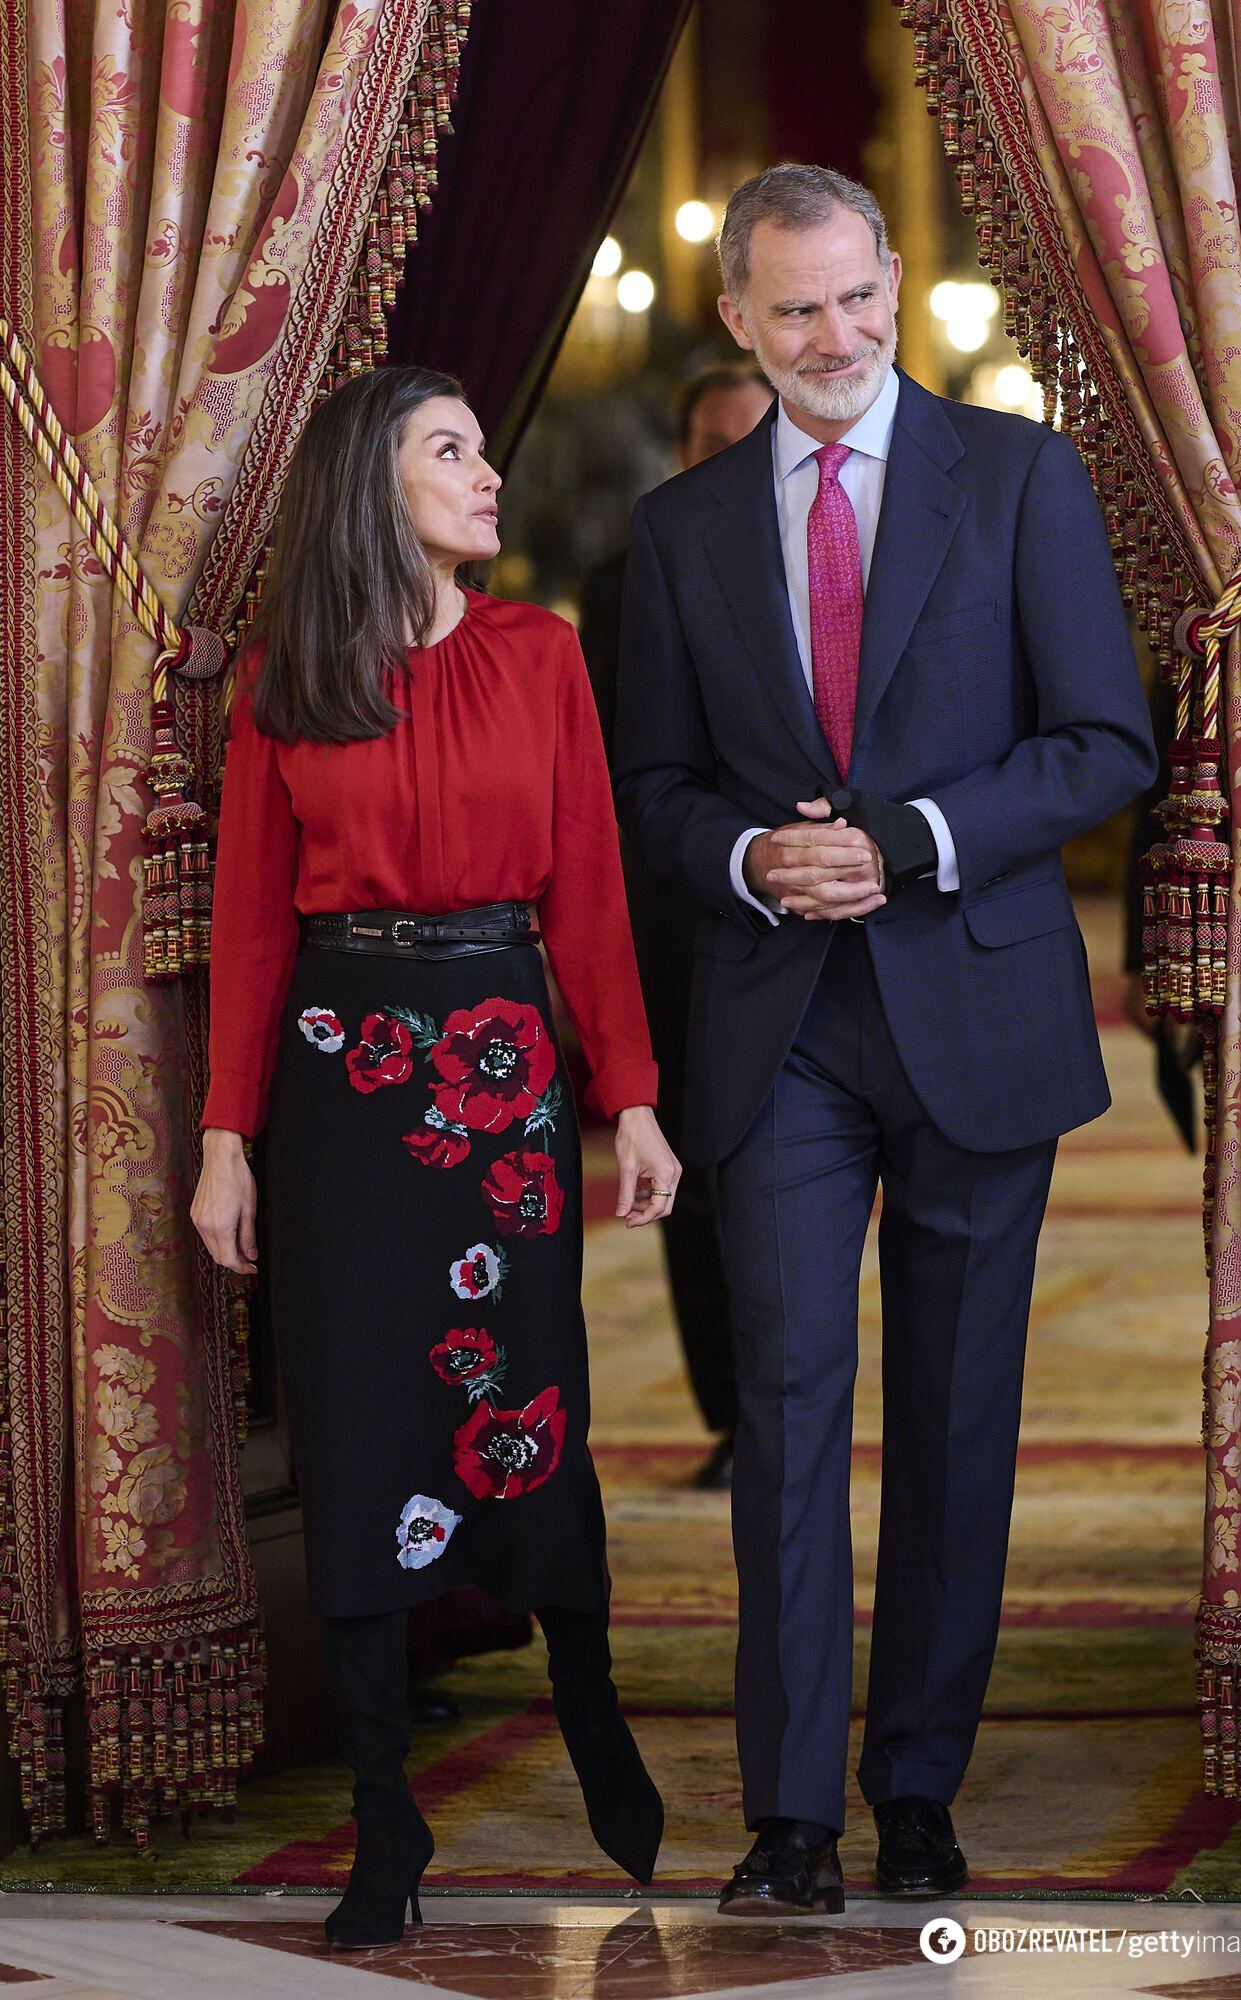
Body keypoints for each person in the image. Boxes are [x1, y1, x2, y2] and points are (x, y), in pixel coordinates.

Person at [614, 165, 1156, 1915]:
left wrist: (911, 841)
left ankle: (913, 1788)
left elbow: (1098, 744)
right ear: (738, 322)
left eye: (855, 299)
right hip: (775, 1032)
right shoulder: (681, 528)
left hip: (971, 1006)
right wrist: (742, 856)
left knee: (949, 1418)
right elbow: (646, 789)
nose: (831, 335)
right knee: (780, 1412)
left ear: (893, 281)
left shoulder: (1014, 478)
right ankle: (788, 1819)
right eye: (792, 310)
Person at [191, 365, 679, 1948]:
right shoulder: (285, 677)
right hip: (340, 1087)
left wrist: (634, 1095)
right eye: (449, 451)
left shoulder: (539, 655)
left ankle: (588, 1703)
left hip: (499, 1068)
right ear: (370, 490)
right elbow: (253, 930)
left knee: (526, 1387)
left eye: (481, 447)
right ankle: (384, 1820)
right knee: (354, 1414)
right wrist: (224, 1141)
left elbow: (589, 895)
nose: (487, 473)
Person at [580, 364, 775, 1489]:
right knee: (697, 1178)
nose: (732, 464)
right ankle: (740, 1420)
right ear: (679, 451)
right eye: (710, 443)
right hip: (679, 921)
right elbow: (623, 768)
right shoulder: (625, 576)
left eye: (753, 440)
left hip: (830, 910)